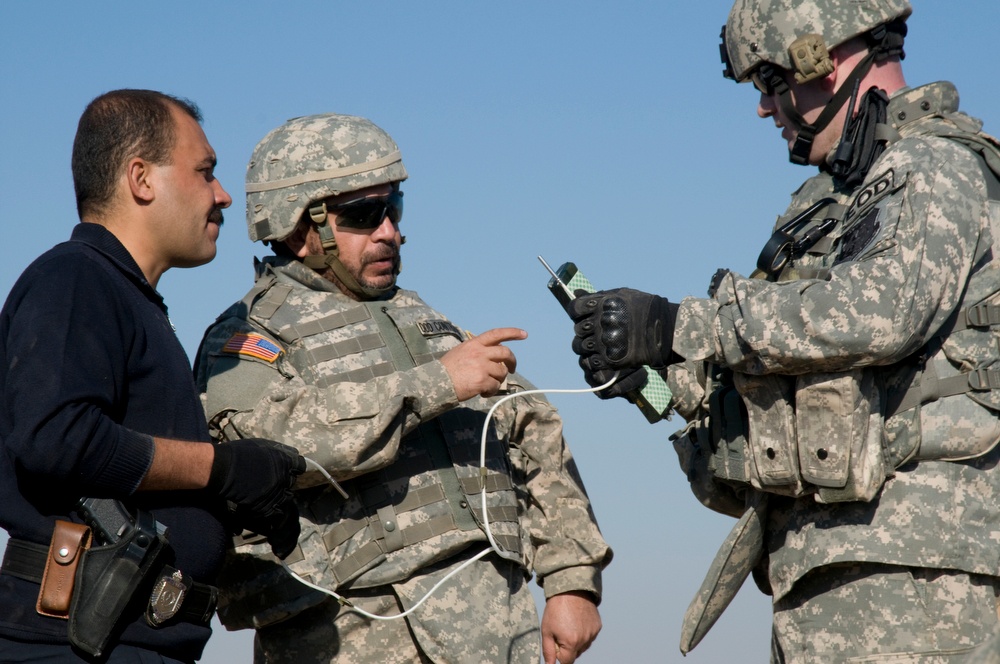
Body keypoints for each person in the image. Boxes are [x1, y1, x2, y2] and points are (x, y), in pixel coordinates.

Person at [566, 1, 1000, 661]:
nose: (765, 110)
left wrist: (677, 324)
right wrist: (651, 381)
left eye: (771, 84)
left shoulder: (935, 168)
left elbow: (878, 314)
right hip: (833, 569)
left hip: (915, 575)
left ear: (820, 60)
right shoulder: (832, 205)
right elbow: (756, 393)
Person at [194, 113, 612, 664]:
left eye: (394, 208)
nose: (390, 230)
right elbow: (284, 443)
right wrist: (438, 383)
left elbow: (528, 424)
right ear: (299, 227)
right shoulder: (245, 337)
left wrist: (571, 579)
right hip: (346, 635)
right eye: (365, 214)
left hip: (497, 632)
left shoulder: (420, 319)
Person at [0, 89, 305, 663]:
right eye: (205, 172)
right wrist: (222, 470)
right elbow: (56, 439)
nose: (223, 196)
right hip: (75, 645)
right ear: (141, 179)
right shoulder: (73, 279)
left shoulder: (122, 297)